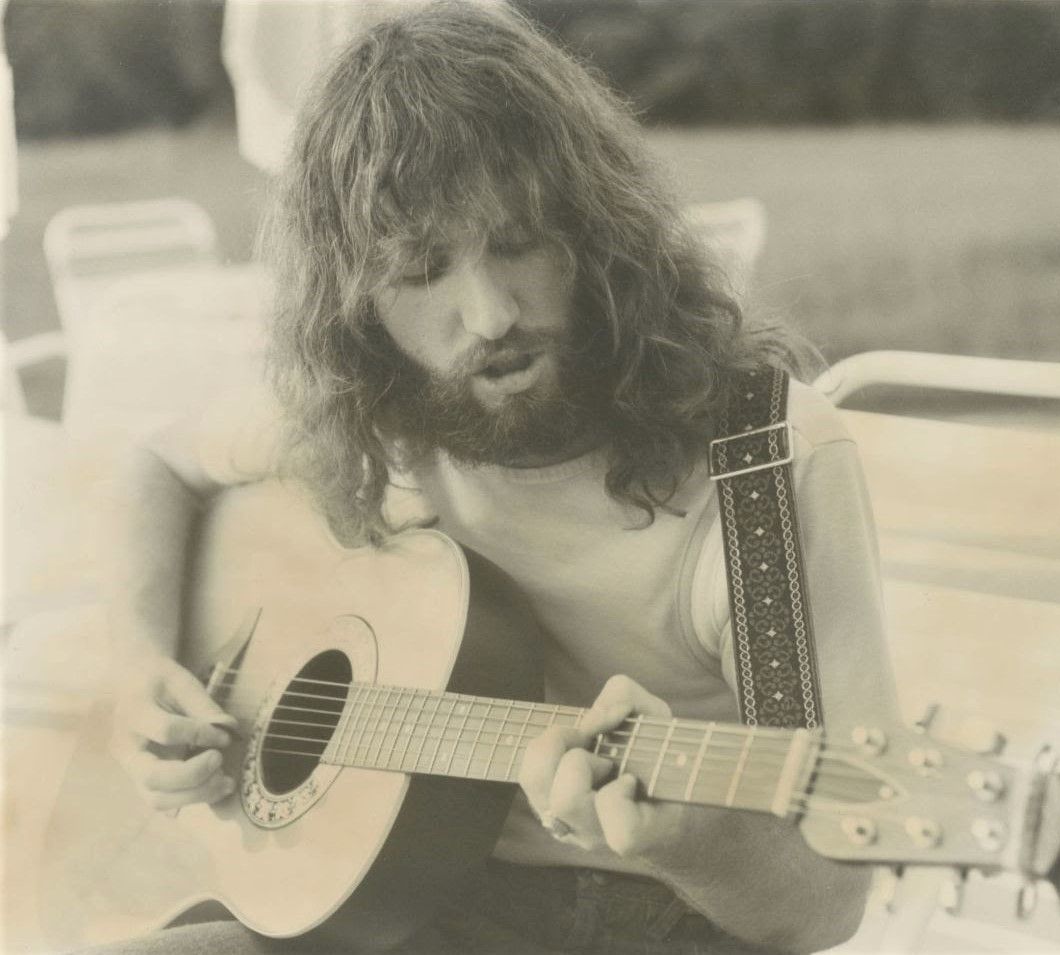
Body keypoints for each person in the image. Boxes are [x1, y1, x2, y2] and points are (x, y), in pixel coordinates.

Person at [103, 1, 899, 952]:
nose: (488, 316)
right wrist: (139, 668)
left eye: (519, 242)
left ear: (597, 231)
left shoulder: (759, 475)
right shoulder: (368, 409)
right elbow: (157, 464)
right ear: (354, 302)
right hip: (381, 902)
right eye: (423, 269)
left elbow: (824, 902)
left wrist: (686, 837)